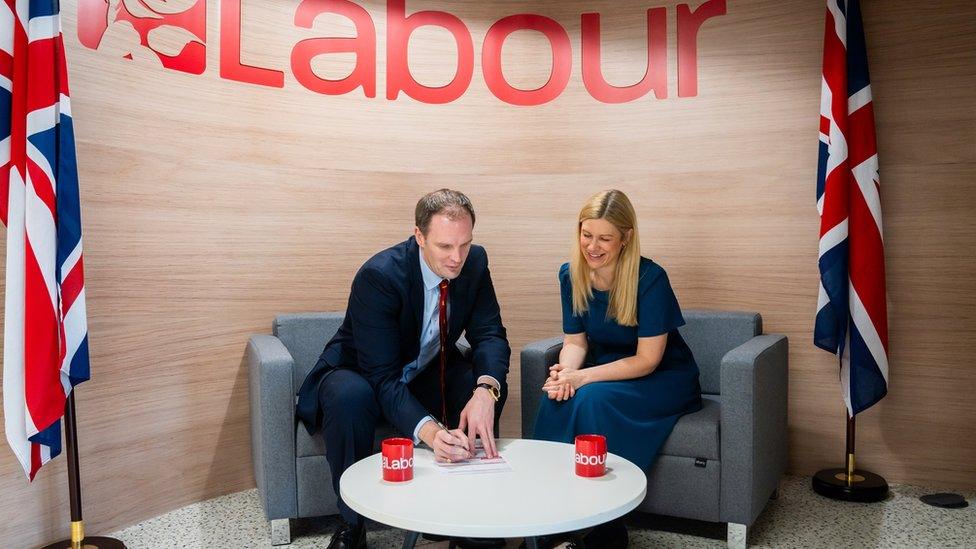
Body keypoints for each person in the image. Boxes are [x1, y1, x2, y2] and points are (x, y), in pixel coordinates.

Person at [296, 189, 511, 549]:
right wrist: (429, 433)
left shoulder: (475, 262)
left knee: (479, 382)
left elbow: (489, 333)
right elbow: (382, 376)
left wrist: (485, 390)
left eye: (465, 244)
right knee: (351, 396)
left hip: (424, 368)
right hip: (360, 371)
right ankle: (352, 524)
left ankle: (466, 514)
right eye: (445, 247)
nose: (457, 258)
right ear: (419, 236)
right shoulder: (379, 276)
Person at [532, 189, 702, 549]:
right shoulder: (570, 274)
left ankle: (607, 523)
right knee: (555, 399)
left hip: (662, 376)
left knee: (593, 399)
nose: (593, 246)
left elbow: (648, 360)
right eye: (587, 234)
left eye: (605, 238)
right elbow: (576, 343)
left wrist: (583, 377)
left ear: (625, 238)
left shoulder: (650, 278)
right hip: (603, 367)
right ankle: (547, 514)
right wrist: (564, 374)